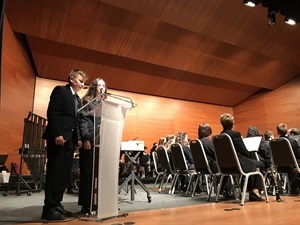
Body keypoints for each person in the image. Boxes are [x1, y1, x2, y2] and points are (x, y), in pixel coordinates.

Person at [41, 69, 88, 220]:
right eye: (81, 81)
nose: (82, 84)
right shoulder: (61, 91)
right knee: (55, 172)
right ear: (72, 79)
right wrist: (57, 134)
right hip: (59, 138)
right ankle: (49, 208)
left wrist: (78, 139)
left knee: (63, 174)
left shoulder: (78, 99)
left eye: (83, 82)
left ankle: (57, 204)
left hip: (70, 140)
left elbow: (76, 121)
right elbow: (52, 112)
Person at [219, 113, 265, 201]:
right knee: (260, 164)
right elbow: (244, 152)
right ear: (232, 123)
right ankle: (254, 191)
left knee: (250, 164)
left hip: (225, 167)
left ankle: (250, 189)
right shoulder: (235, 134)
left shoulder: (219, 136)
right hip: (237, 165)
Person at [78, 78, 107, 214]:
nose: (101, 87)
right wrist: (85, 138)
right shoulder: (87, 102)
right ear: (94, 87)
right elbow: (83, 121)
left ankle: (101, 202)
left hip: (104, 141)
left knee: (101, 173)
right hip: (90, 140)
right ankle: (86, 203)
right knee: (88, 173)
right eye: (99, 85)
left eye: (103, 85)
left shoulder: (107, 103)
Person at [276, 123, 300, 194]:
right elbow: (298, 155)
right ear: (287, 132)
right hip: (292, 167)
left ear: (277, 133)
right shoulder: (293, 141)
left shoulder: (273, 142)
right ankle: (295, 187)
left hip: (279, 167)